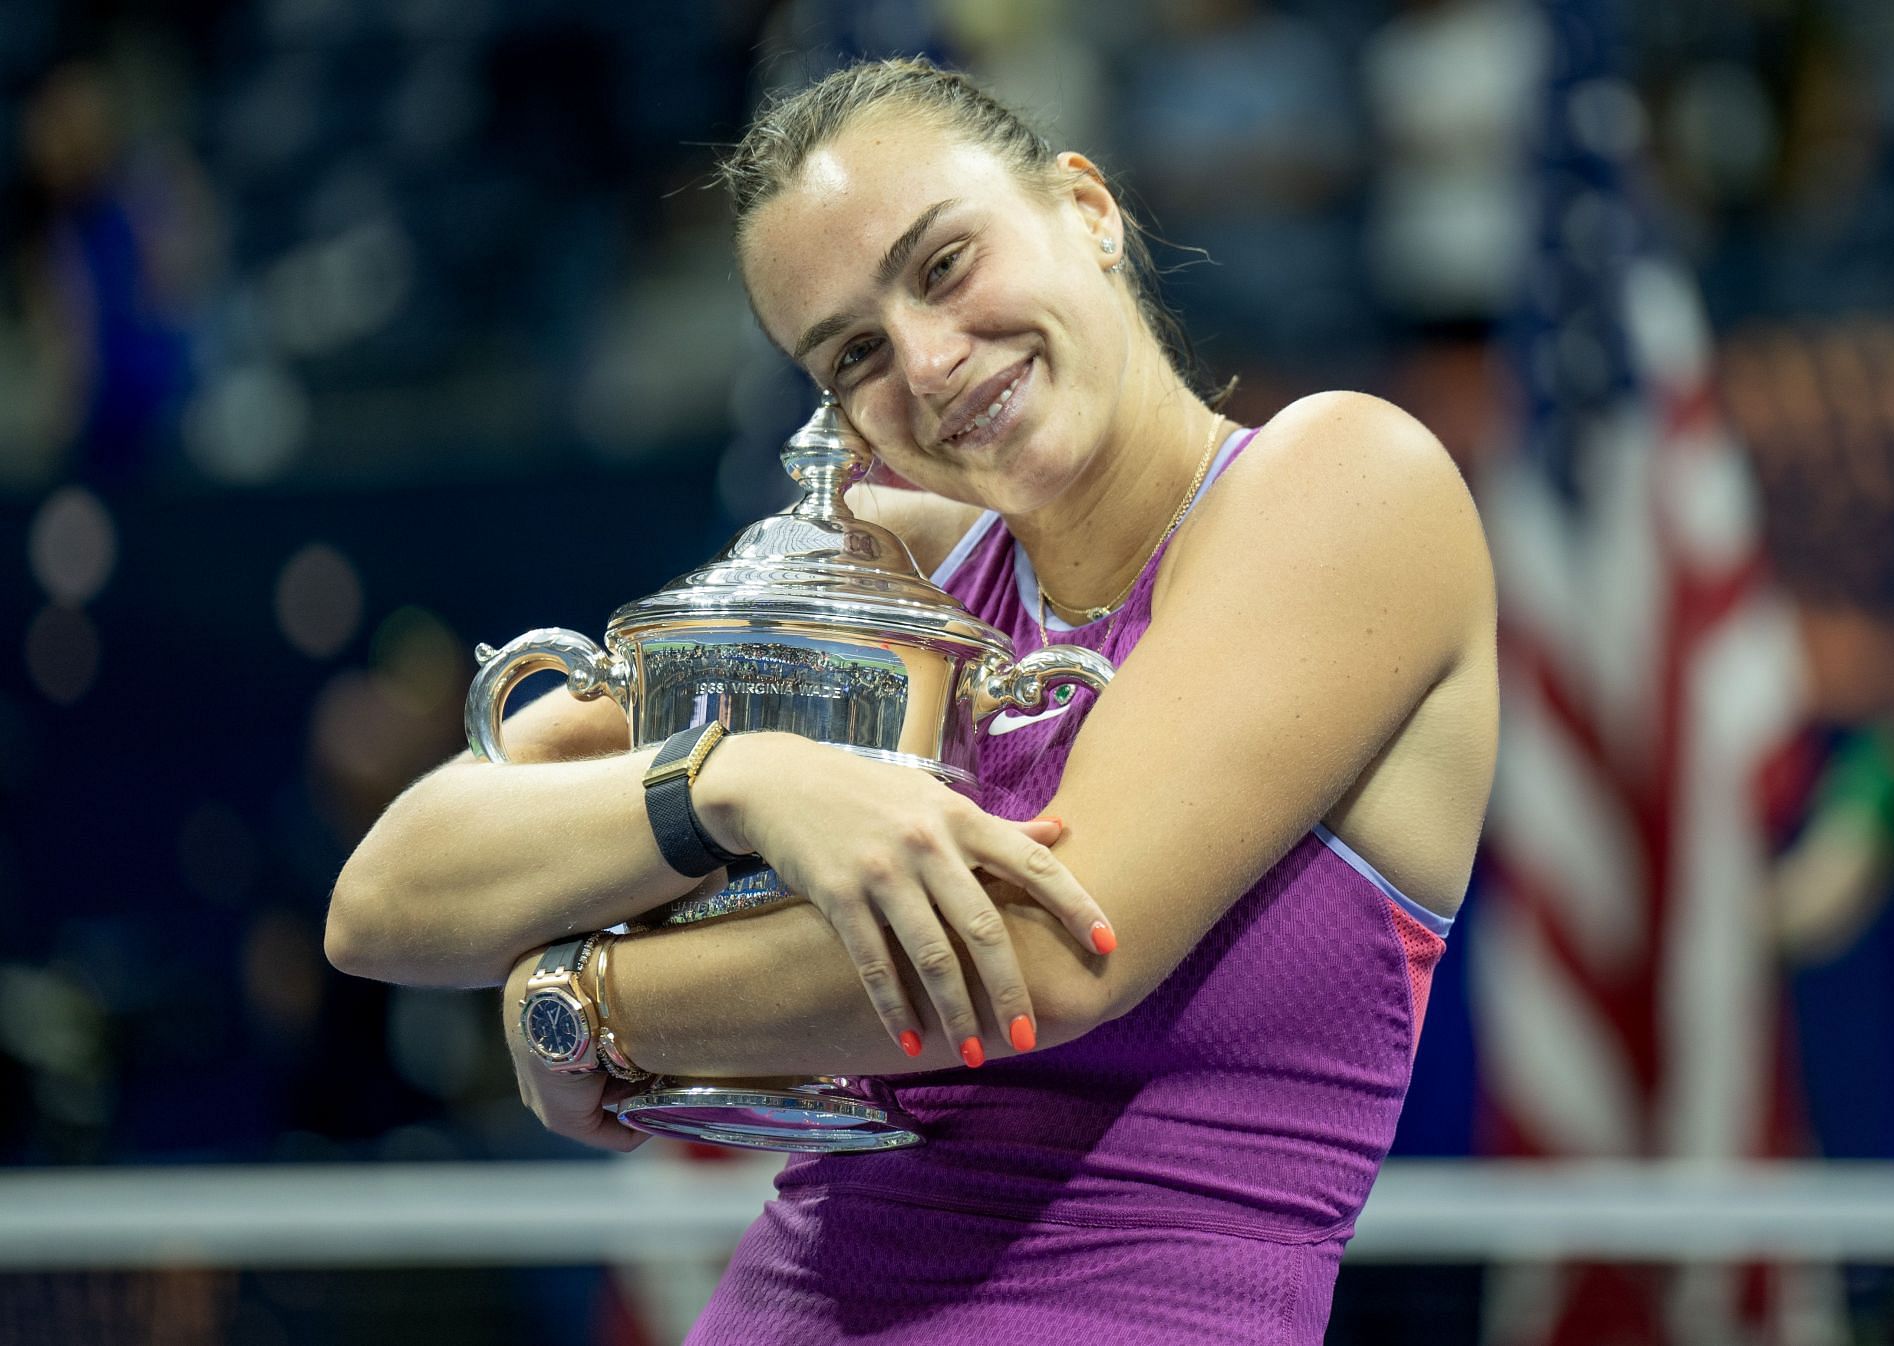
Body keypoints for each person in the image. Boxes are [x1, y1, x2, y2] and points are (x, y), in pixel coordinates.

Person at [325, 57, 1499, 1345]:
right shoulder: (900, 575)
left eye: (944, 265)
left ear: (1087, 209)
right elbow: (384, 902)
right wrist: (734, 786)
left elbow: (1049, 957)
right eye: (855, 353)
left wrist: (578, 998)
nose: (930, 364)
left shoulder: (1348, 480)